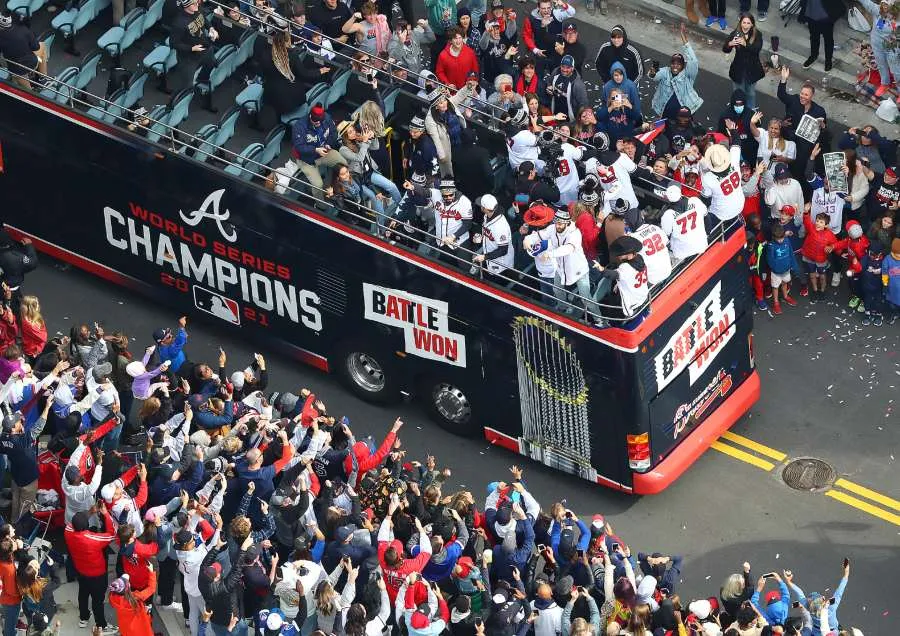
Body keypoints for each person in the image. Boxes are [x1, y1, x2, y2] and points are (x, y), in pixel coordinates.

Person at [65, 507, 118, 633]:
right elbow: (112, 534)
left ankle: (84, 617)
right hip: (97, 575)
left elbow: (75, 522)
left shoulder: (68, 532)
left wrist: (90, 512)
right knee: (97, 600)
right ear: (86, 526)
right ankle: (102, 626)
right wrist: (105, 514)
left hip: (81, 571)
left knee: (83, 595)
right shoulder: (92, 539)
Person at [170, 0, 221, 111]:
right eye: (193, 4)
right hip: (188, 58)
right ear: (187, 6)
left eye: (196, 2)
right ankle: (170, 106)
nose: (197, 4)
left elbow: (204, 20)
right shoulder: (179, 23)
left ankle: (202, 80)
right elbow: (173, 44)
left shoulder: (197, 10)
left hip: (204, 48)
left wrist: (211, 28)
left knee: (212, 63)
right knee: (186, 86)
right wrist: (191, 48)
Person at [649, 25, 702, 119]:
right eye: (673, 63)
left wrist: (684, 40)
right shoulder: (666, 71)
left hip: (683, 115)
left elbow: (693, 61)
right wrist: (653, 73)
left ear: (683, 66)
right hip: (665, 111)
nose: (675, 66)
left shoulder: (688, 75)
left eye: (678, 64)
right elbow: (655, 76)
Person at [291, 105, 347, 192]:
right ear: (310, 117)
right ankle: (320, 205)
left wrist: (328, 144)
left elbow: (333, 132)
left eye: (321, 121)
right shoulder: (299, 126)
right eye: (316, 122)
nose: (319, 123)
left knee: (344, 163)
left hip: (325, 151)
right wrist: (315, 150)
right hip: (306, 160)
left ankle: (338, 189)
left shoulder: (327, 117)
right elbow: (299, 147)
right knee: (318, 185)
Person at [722, 14, 764, 110]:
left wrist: (746, 44)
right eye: (744, 22)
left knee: (751, 92)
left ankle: (751, 110)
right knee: (738, 92)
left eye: (748, 23)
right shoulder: (735, 33)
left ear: (752, 24)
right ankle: (737, 110)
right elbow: (725, 49)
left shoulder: (757, 35)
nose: (745, 25)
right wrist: (730, 44)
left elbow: (756, 49)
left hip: (752, 69)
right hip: (738, 68)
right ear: (740, 23)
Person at [521, 0, 575, 72]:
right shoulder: (531, 19)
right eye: (543, 8)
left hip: (556, 50)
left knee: (555, 72)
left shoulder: (556, 14)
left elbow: (572, 13)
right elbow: (527, 36)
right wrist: (535, 50)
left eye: (548, 8)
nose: (546, 11)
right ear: (538, 7)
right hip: (540, 50)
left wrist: (564, 5)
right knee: (538, 73)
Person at [0, 11, 47, 90]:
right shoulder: (23, 29)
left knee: (29, 93)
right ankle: (43, 78)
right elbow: (36, 47)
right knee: (42, 46)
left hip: (17, 72)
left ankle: (27, 84)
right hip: (33, 63)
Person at [472, 195, 514, 282]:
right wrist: (481, 237)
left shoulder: (500, 226)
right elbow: (488, 232)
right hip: (490, 256)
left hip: (501, 266)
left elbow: (503, 250)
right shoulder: (488, 215)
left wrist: (484, 257)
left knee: (495, 284)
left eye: (481, 206)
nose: (480, 206)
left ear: (486, 209)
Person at [800, 0, 849, 71]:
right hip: (811, 14)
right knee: (814, 37)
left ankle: (828, 60)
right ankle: (813, 56)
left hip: (825, 17)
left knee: (828, 39)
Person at [108, 566, 157, 636]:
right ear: (128, 587)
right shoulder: (136, 597)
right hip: (140, 628)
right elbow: (151, 589)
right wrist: (151, 572)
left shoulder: (113, 597)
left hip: (125, 628)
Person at [765, 224, 799, 314]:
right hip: (776, 272)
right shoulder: (771, 246)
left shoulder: (787, 241)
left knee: (785, 283)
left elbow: (791, 253)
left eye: (782, 238)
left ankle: (786, 296)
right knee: (775, 287)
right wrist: (775, 268)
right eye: (778, 238)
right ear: (773, 237)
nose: (780, 240)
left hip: (786, 269)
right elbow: (769, 259)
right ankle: (776, 303)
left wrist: (794, 265)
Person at [883, 237, 900, 324]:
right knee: (892, 304)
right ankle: (894, 314)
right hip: (891, 289)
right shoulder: (887, 259)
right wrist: (885, 284)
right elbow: (885, 273)